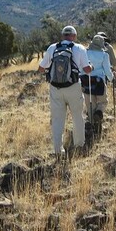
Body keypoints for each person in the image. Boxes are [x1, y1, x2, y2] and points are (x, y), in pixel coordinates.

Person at [38, 25, 93, 157]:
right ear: (74, 36)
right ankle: (79, 146)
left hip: (55, 88)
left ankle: (58, 150)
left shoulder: (52, 48)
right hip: (73, 87)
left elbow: (41, 68)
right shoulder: (79, 48)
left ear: (63, 36)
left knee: (57, 119)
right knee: (77, 117)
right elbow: (86, 70)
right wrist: (92, 66)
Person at [80, 35, 113, 135]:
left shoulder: (85, 53)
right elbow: (107, 70)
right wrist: (111, 78)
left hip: (86, 81)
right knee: (103, 101)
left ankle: (93, 126)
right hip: (99, 82)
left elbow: (81, 68)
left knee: (90, 104)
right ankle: (99, 113)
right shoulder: (104, 55)